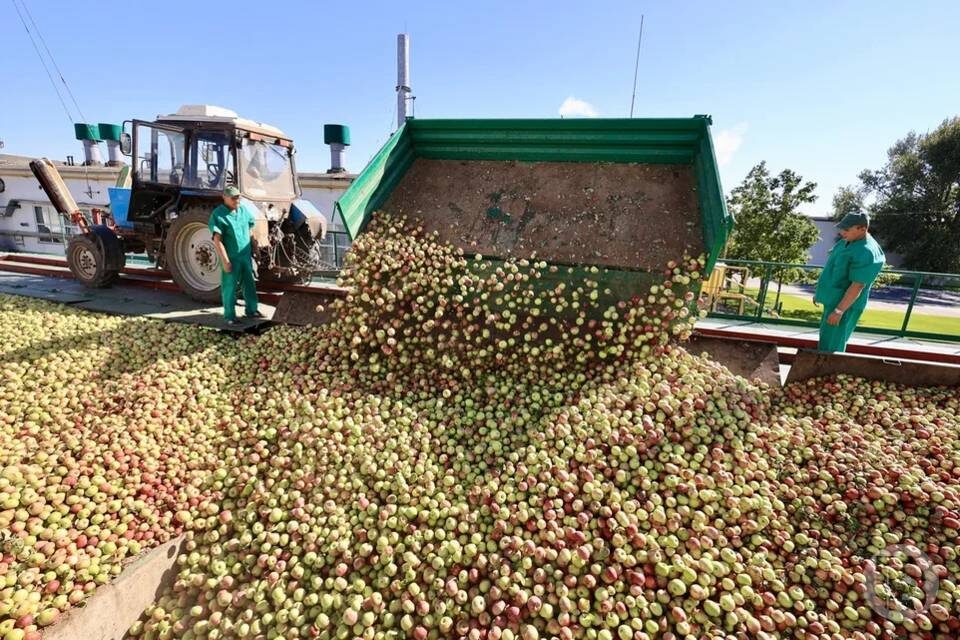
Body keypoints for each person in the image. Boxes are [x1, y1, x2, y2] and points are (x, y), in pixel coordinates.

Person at [813, 211, 885, 352]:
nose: (842, 232)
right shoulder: (848, 241)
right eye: (842, 228)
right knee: (826, 339)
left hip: (844, 306)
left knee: (833, 345)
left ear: (862, 229)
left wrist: (839, 311)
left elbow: (857, 285)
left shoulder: (867, 251)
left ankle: (828, 371)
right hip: (833, 300)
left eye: (847, 229)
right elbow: (834, 268)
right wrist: (821, 293)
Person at [209, 186, 263, 325]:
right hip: (231, 257)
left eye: (238, 197)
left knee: (249, 283)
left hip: (245, 256)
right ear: (224, 197)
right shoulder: (218, 214)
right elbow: (217, 240)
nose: (236, 200)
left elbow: (250, 229)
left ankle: (252, 310)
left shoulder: (243, 211)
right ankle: (230, 316)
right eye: (233, 197)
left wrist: (255, 247)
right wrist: (225, 261)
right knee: (230, 286)